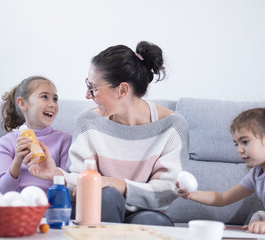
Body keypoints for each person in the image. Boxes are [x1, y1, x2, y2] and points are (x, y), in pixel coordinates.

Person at [26, 41, 189, 226]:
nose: (87, 95)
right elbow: (81, 182)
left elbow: (166, 192)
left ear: (122, 90)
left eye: (93, 88)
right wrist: (55, 173)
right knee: (109, 196)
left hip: (147, 215)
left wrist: (119, 184)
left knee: (151, 219)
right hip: (98, 207)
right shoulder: (87, 123)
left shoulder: (172, 127)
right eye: (88, 85)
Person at [176, 101, 265, 234]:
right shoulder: (256, 173)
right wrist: (192, 194)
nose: (239, 150)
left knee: (261, 220)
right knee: (258, 218)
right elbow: (223, 198)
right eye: (236, 144)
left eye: (245, 142)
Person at [0, 76, 72, 194]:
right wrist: (17, 161)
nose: (52, 104)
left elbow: (67, 189)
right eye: (44, 97)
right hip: (17, 206)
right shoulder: (7, 142)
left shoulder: (64, 139)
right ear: (22, 103)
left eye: (55, 99)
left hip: (50, 206)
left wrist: (52, 173)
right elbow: (3, 191)